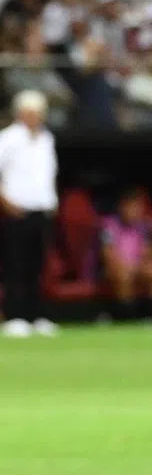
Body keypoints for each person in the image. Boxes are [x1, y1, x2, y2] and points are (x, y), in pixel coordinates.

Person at [0, 90, 59, 337]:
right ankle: (15, 316)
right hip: (17, 211)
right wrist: (5, 202)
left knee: (38, 266)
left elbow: (49, 173)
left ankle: (35, 316)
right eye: (32, 112)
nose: (36, 117)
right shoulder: (8, 138)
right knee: (16, 265)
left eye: (40, 112)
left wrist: (51, 201)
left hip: (42, 210)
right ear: (21, 113)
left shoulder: (47, 138)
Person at [101, 187, 152, 321]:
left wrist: (142, 265)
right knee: (123, 274)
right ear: (122, 207)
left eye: (138, 207)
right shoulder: (108, 224)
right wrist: (126, 266)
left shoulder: (144, 226)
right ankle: (126, 316)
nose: (135, 211)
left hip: (137, 266)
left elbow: (148, 253)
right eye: (132, 207)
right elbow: (108, 255)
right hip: (115, 267)